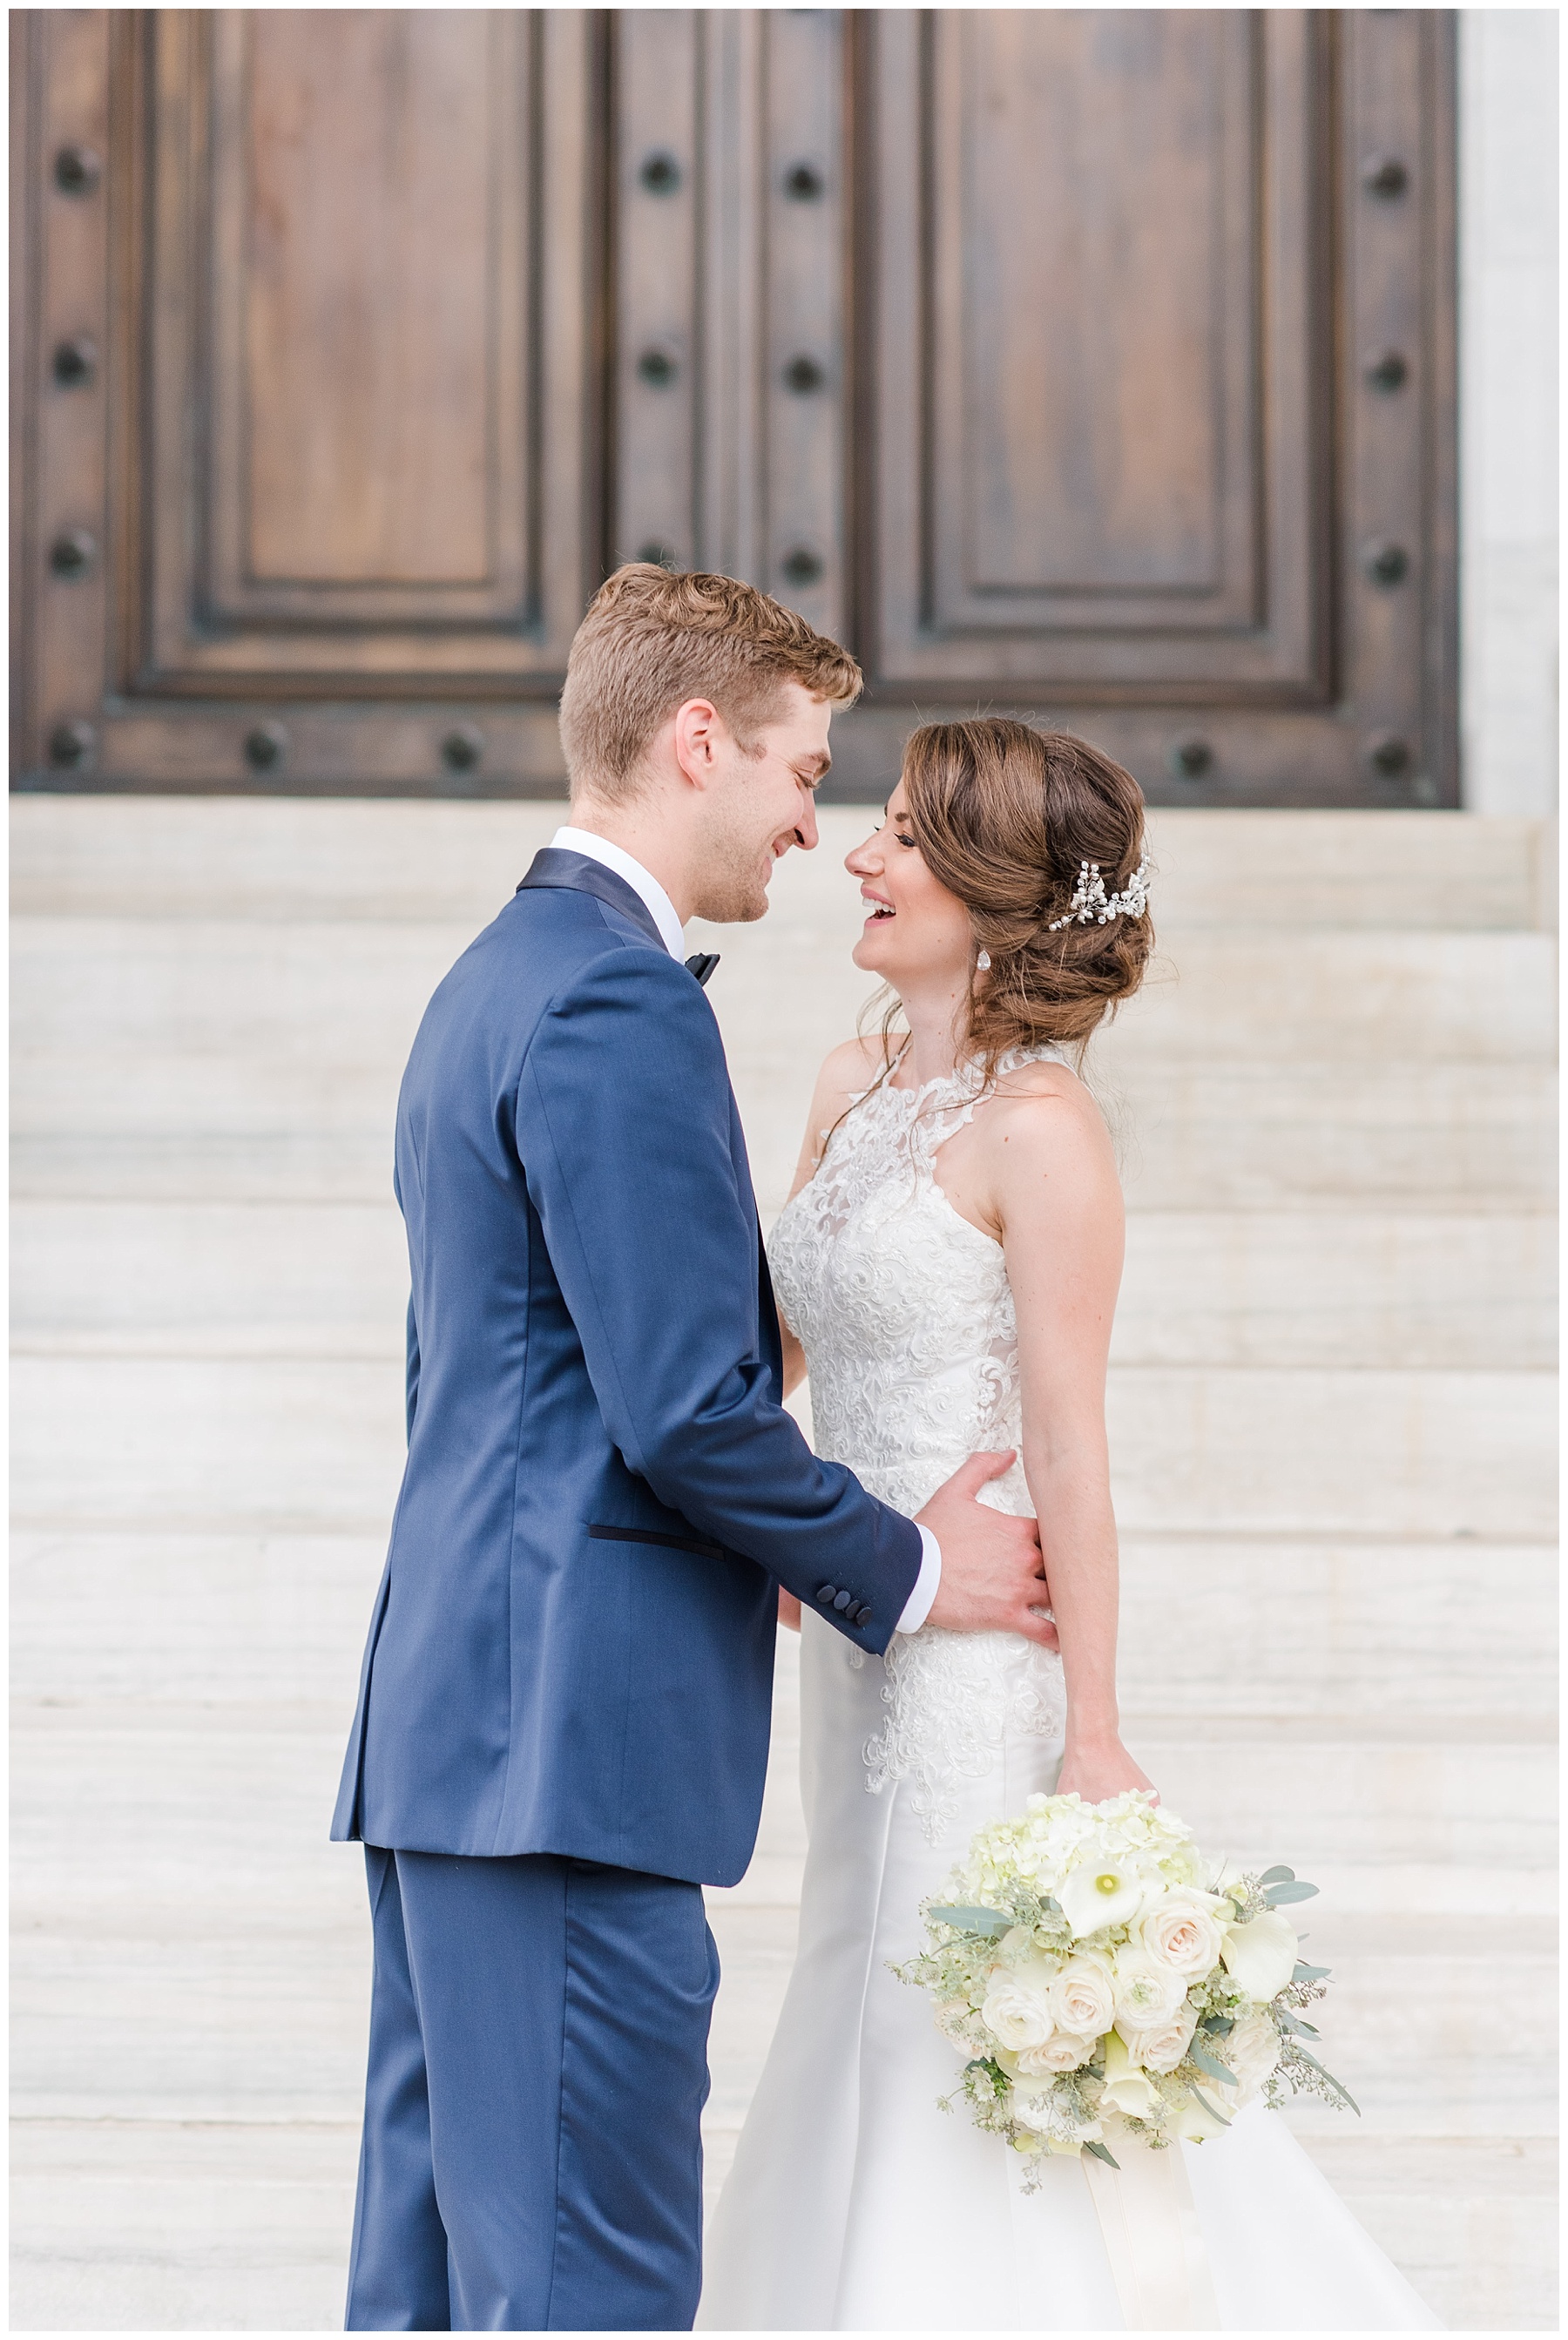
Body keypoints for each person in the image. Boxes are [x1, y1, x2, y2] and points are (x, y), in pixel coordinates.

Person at [330, 572, 1055, 2331]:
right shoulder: (614, 1000)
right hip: (568, 1751)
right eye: (806, 772)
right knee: (593, 2288)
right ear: (698, 739)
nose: (817, 824)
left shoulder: (495, 975)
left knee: (438, 2291)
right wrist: (901, 1558)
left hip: (468, 1733)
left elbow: (539, 1376)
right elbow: (679, 1407)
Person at [697, 718, 1441, 2332]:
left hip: (984, 1668)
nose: (862, 856)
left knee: (936, 2010)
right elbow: (771, 1364)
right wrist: (791, 1539)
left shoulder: (1044, 1134)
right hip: (866, 1623)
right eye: (875, 822)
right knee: (851, 1973)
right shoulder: (849, 1080)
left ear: (990, 889)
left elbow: (1070, 1445)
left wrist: (1095, 1730)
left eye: (902, 835)